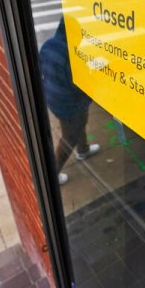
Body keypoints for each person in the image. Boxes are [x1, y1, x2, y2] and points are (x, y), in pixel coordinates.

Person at [38, 20, 99, 184]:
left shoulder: (48, 45)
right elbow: (81, 85)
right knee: (69, 137)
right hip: (67, 103)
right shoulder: (71, 54)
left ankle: (83, 149)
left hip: (53, 96)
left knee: (81, 120)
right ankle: (53, 176)